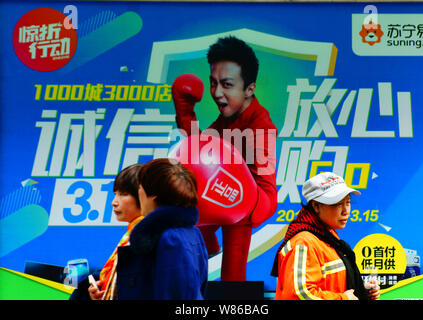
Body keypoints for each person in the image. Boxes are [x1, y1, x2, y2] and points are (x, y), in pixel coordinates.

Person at [172, 36, 277, 281]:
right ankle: (209, 254)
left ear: (249, 88)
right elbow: (196, 151)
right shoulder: (226, 120)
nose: (217, 93)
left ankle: (231, 286)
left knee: (232, 274)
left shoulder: (261, 125)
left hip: (254, 199)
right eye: (213, 83)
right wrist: (185, 113)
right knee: (188, 214)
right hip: (224, 192)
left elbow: (257, 184)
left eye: (227, 84)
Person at [108, 158, 208, 299]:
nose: (138, 194)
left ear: (153, 194)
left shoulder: (168, 238)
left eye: (139, 188)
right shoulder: (193, 233)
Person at [271, 172, 380, 300]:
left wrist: (361, 292)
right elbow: (299, 295)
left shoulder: (328, 237)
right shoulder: (303, 243)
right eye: (337, 204)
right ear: (316, 206)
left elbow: (331, 285)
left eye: (348, 202)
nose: (346, 211)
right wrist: (343, 299)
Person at [69, 164, 144, 300]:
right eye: (115, 194)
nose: (114, 202)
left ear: (144, 196)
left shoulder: (147, 238)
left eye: (123, 194)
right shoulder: (131, 234)